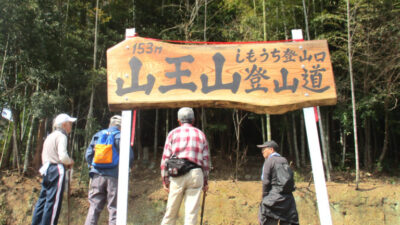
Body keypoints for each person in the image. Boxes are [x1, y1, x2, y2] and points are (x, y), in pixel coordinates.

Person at [160, 107, 210, 225]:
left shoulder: (173, 134)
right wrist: (205, 181)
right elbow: (206, 161)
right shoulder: (200, 134)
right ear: (193, 120)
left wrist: (165, 179)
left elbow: (165, 159)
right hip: (196, 174)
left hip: (177, 172)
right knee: (191, 214)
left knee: (171, 212)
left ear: (178, 120)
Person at [84, 115, 134, 225]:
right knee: (114, 208)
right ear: (121, 127)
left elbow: (88, 155)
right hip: (114, 176)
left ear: (109, 124)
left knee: (94, 207)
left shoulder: (98, 135)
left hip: (97, 175)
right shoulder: (121, 136)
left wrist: (92, 167)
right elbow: (129, 156)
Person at [31, 113, 77, 225]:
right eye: (70, 123)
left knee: (43, 199)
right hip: (56, 169)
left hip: (46, 169)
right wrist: (70, 161)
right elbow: (63, 156)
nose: (71, 126)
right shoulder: (62, 136)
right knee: (53, 202)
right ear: (64, 124)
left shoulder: (50, 136)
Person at [258, 140, 299, 225]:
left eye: (264, 149)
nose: (262, 151)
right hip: (288, 200)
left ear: (271, 149)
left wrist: (265, 197)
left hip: (274, 198)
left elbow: (266, 182)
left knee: (266, 217)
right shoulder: (284, 160)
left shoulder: (269, 161)